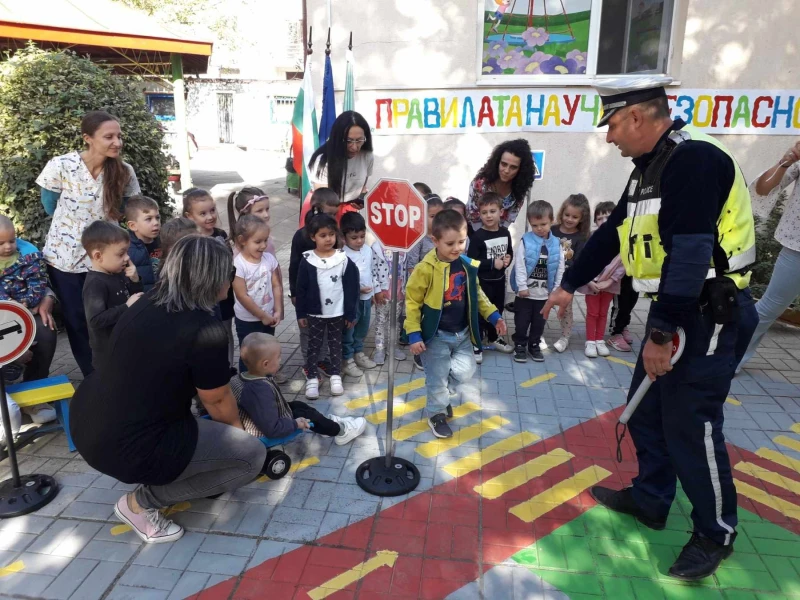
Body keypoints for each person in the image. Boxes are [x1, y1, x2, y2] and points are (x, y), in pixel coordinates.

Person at [543, 77, 758, 580]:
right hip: (678, 312)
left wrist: (660, 336)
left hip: (706, 316)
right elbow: (615, 230)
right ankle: (652, 498)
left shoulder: (695, 160)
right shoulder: (650, 168)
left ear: (638, 116)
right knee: (645, 414)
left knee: (693, 426)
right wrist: (569, 284)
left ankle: (715, 533)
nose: (609, 136)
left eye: (613, 124)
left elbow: (689, 251)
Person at [70, 236, 266, 544]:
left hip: (86, 420)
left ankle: (171, 472)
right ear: (212, 279)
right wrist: (238, 438)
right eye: (229, 274)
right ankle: (140, 504)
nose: (232, 281)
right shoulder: (206, 330)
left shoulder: (146, 301)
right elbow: (216, 399)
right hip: (128, 445)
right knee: (250, 458)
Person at [37, 110, 141, 375]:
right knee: (78, 321)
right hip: (65, 260)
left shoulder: (124, 172)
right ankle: (94, 377)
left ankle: (117, 370)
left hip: (106, 260)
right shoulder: (61, 165)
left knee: (112, 314)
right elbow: (50, 206)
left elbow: (129, 207)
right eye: (109, 136)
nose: (117, 141)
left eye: (119, 135)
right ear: (88, 138)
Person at [405, 210, 507, 439]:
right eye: (450, 243)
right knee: (437, 379)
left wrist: (494, 316)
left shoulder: (468, 265)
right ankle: (436, 414)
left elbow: (477, 294)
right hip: (436, 335)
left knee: (466, 370)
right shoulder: (425, 268)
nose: (456, 248)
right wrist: (413, 334)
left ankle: (439, 396)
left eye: (461, 242)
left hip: (462, 333)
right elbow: (412, 302)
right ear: (435, 240)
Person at [231, 334, 366, 445]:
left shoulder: (244, 378)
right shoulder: (260, 390)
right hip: (264, 431)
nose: (280, 360)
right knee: (309, 415)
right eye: (278, 357)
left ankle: (325, 426)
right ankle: (341, 431)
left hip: (263, 418)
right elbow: (271, 428)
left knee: (298, 405)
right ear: (265, 364)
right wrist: (295, 424)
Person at [737, 140, 800, 371]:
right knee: (769, 307)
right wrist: (786, 162)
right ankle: (731, 358)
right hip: (797, 246)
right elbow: (764, 189)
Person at [0, 216, 58, 422]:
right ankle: (6, 395)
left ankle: (35, 393)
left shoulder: (27, 255)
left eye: (11, 241)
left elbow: (41, 279)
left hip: (26, 311)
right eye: (1, 243)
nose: (8, 247)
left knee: (46, 329)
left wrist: (46, 296)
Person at [295, 214, 360, 400]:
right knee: (314, 346)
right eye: (323, 235)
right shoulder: (307, 260)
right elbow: (301, 288)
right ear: (313, 237)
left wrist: (350, 313)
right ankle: (312, 378)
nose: (328, 239)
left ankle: (336, 375)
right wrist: (301, 313)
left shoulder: (343, 259)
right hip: (314, 313)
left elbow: (351, 287)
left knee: (335, 344)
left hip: (337, 313)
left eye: (331, 234)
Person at [290, 189, 340, 378]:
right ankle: (310, 365)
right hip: (307, 295)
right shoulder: (301, 236)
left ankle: (323, 360)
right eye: (329, 214)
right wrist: (294, 293)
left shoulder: (333, 235)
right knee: (308, 332)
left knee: (326, 328)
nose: (333, 218)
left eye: (335, 215)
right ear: (316, 209)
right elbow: (294, 267)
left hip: (328, 294)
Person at [183, 188, 235, 369]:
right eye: (203, 213)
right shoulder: (189, 240)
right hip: (202, 299)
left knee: (226, 332)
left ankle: (228, 368)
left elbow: (230, 262)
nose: (210, 216)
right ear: (190, 216)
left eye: (212, 210)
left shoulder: (220, 235)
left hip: (224, 297)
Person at [81, 221, 144, 370]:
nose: (127, 258)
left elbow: (135, 299)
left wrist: (135, 280)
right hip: (108, 354)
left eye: (127, 252)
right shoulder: (95, 284)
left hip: (126, 345)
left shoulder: (117, 272)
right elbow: (95, 320)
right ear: (98, 256)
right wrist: (126, 306)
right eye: (121, 253)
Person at [511, 201, 564, 363]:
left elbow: (560, 268)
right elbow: (519, 264)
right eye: (535, 225)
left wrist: (555, 290)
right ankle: (520, 345)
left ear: (552, 221)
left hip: (544, 296)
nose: (539, 228)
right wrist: (522, 286)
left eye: (543, 224)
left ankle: (534, 344)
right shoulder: (526, 241)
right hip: (525, 295)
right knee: (521, 322)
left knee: (539, 324)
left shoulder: (556, 243)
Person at [300, 111, 374, 224]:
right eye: (349, 141)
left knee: (352, 241)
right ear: (338, 138)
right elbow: (322, 199)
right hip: (323, 210)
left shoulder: (367, 156)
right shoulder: (323, 160)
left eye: (359, 140)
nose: (355, 147)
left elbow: (362, 187)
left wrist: (361, 199)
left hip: (349, 211)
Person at [231, 215, 283, 374]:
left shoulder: (269, 259)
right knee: (249, 355)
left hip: (268, 317)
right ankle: (247, 385)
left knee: (267, 351)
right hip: (248, 320)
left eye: (265, 240)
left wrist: (278, 310)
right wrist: (262, 315)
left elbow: (276, 285)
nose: (263, 246)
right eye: (258, 242)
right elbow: (242, 296)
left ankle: (266, 380)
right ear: (242, 240)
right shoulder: (238, 265)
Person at [467, 192, 513, 360]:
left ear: (501, 212)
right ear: (479, 214)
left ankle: (495, 337)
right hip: (482, 283)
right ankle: (476, 344)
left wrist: (508, 258)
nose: (488, 215)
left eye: (492, 211)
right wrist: (492, 263)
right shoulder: (478, 237)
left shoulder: (505, 233)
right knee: (480, 314)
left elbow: (509, 252)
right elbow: (471, 262)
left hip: (500, 282)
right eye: (484, 212)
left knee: (498, 309)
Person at [577, 202, 624, 358]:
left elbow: (622, 264)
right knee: (592, 313)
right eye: (599, 218)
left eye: (608, 217)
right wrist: (589, 280)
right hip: (592, 283)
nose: (603, 221)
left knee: (603, 313)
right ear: (595, 221)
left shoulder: (621, 239)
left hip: (610, 284)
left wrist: (609, 282)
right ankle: (590, 341)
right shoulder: (591, 238)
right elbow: (584, 260)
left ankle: (599, 340)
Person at [406, 194, 445, 370]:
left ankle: (437, 351)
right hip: (423, 290)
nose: (436, 220)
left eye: (439, 216)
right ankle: (419, 354)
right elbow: (412, 265)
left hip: (442, 290)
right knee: (422, 322)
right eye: (431, 216)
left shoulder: (445, 237)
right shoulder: (419, 238)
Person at [550, 193, 590, 353]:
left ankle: (565, 337)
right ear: (562, 213)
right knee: (542, 304)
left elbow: (579, 260)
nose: (569, 219)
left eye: (574, 217)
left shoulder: (581, 237)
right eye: (567, 215)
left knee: (565, 309)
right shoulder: (552, 230)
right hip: (548, 276)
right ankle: (537, 334)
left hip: (566, 280)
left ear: (581, 218)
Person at [465, 139, 535, 231]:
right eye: (504, 164)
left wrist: (499, 236)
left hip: (498, 233)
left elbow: (509, 219)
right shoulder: (480, 184)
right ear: (497, 162)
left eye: (513, 167)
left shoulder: (519, 190)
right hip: (473, 232)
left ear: (521, 170)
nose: (506, 170)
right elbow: (473, 215)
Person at [340, 212, 378, 377]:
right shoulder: (342, 255)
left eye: (362, 236)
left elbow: (372, 271)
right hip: (351, 302)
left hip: (367, 299)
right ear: (344, 237)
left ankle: (358, 353)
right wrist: (358, 289)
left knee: (362, 327)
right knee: (349, 330)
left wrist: (374, 292)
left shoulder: (368, 251)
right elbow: (341, 282)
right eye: (354, 238)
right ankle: (347, 359)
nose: (359, 241)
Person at [370, 235, 407, 366]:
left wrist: (405, 289)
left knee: (395, 321)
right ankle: (380, 349)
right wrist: (377, 290)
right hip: (383, 293)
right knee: (380, 321)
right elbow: (372, 270)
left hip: (399, 293)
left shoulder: (405, 246)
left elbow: (407, 269)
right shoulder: (376, 247)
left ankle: (393, 347)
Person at [125, 195, 162, 292]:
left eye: (157, 218)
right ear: (133, 225)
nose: (156, 223)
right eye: (148, 219)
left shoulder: (163, 242)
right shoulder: (127, 249)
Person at [227, 186, 277, 257]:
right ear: (245, 213)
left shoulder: (265, 234)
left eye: (267, 209)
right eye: (259, 211)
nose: (266, 215)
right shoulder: (242, 244)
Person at [607, 276, 638, 352]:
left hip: (635, 271)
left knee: (632, 298)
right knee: (621, 302)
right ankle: (616, 332)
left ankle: (623, 325)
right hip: (621, 272)